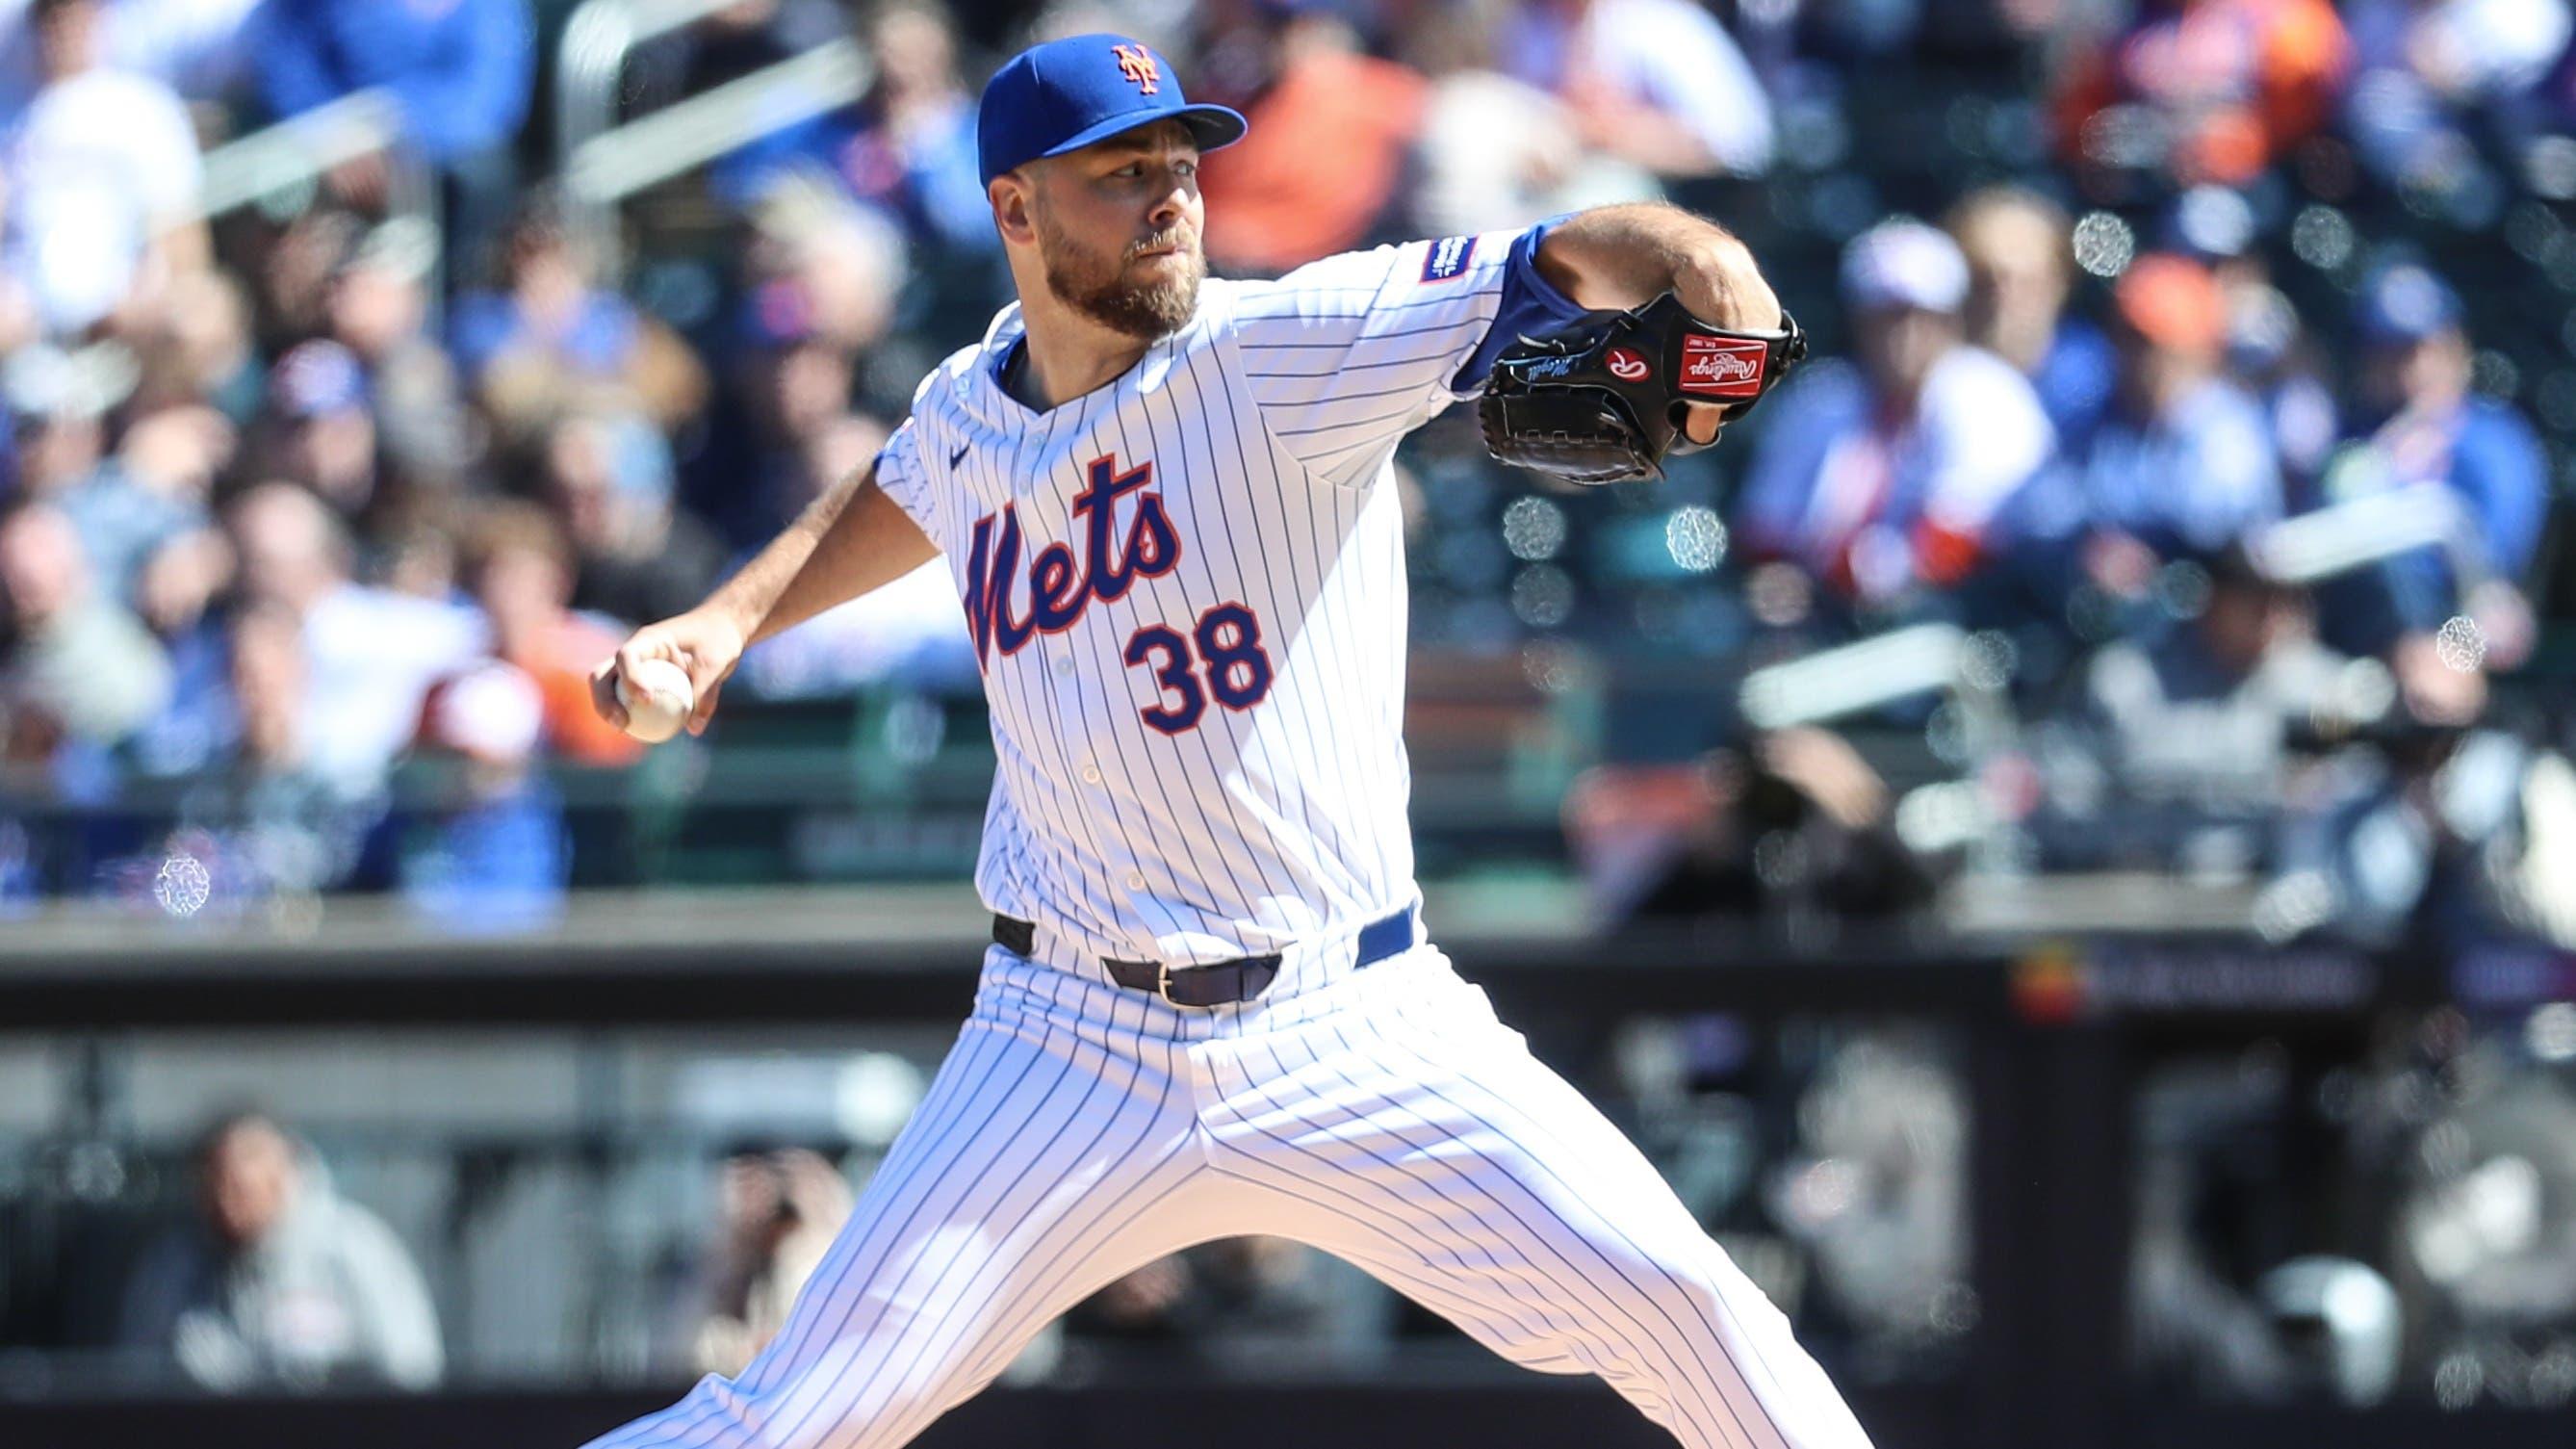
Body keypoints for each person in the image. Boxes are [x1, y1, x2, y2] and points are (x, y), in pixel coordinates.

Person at [583, 31, 1872, 1449]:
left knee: (1692, 1309)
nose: (1170, 196)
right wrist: (725, 621)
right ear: (1015, 209)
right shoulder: (970, 402)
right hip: (1067, 1041)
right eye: (1122, 172)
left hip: (1353, 1017)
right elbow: (908, 485)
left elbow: (1554, 260)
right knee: (795, 1418)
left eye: (1181, 164)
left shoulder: (1284, 349)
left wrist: (1685, 250)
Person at [116, 1109, 445, 1392]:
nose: (226, 1201)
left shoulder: (354, 1250)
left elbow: (412, 1372)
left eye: (239, 1187)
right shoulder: (175, 1267)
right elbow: (139, 1384)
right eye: (215, 1182)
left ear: (283, 1171)